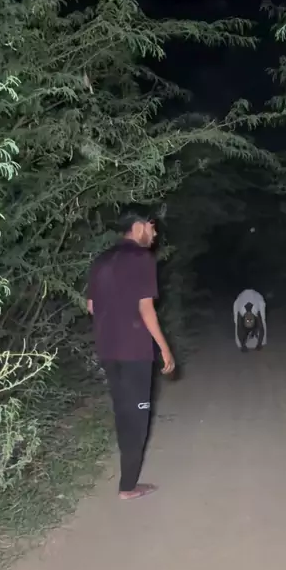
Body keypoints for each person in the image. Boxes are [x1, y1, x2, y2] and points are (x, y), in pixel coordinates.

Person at [87, 208, 175, 501]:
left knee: (123, 412)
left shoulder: (101, 260)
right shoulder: (141, 258)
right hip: (134, 350)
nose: (155, 233)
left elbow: (91, 306)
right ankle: (128, 487)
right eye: (152, 227)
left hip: (107, 348)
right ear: (138, 227)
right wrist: (164, 348)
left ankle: (127, 478)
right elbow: (146, 309)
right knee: (137, 418)